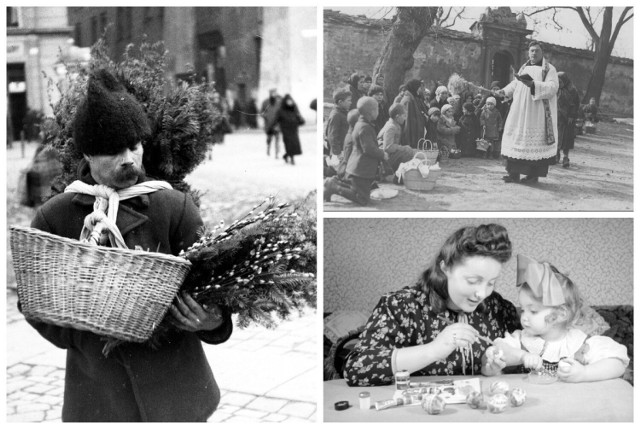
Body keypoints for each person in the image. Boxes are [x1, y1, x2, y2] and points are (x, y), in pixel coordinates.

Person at [23, 69, 232, 421]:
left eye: (134, 146)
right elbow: (34, 303)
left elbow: (217, 292)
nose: (128, 159)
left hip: (176, 392)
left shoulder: (173, 207)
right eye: (113, 151)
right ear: (87, 154)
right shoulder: (54, 217)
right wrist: (85, 335)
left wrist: (211, 321)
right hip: (99, 394)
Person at [343, 224, 521, 386]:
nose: (482, 293)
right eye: (473, 281)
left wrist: (492, 369)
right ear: (445, 268)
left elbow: (525, 368)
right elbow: (356, 369)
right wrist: (433, 350)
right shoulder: (401, 306)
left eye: (491, 283)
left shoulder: (499, 309)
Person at [483, 255, 629, 382]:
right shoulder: (520, 341)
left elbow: (618, 364)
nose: (524, 317)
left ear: (561, 314)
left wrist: (585, 374)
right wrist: (519, 357)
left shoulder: (580, 345)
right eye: (523, 309)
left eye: (533, 311)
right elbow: (495, 352)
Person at [497, 41, 559, 184]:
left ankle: (532, 176)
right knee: (516, 140)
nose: (534, 53)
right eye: (531, 50)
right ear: (528, 52)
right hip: (519, 110)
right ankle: (513, 174)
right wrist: (504, 91)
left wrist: (534, 85)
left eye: (537, 50)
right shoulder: (524, 67)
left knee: (534, 145)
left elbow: (553, 87)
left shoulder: (549, 69)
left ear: (542, 53)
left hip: (537, 112)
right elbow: (516, 83)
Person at [324, 97, 387, 205]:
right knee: (363, 199)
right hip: (360, 169)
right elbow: (368, 148)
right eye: (377, 109)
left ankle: (333, 182)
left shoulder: (362, 124)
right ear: (371, 112)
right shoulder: (364, 127)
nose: (378, 111)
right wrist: (382, 154)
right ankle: (333, 187)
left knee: (358, 190)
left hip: (359, 168)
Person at [377, 103, 416, 173]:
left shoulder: (394, 124)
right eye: (404, 116)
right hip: (383, 158)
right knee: (408, 151)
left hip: (386, 155)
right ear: (397, 117)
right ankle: (390, 171)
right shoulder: (391, 127)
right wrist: (403, 148)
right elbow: (387, 147)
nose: (405, 118)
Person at [556, 72, 581, 168]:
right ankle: (556, 155)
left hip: (568, 119)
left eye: (561, 81)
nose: (559, 83)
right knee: (557, 136)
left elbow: (576, 104)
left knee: (566, 138)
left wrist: (571, 115)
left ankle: (565, 158)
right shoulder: (557, 89)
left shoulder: (572, 90)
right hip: (558, 117)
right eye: (558, 81)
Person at [276, 94, 305, 165]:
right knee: (289, 145)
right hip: (285, 130)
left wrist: (300, 120)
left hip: (294, 130)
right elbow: (276, 120)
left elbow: (300, 119)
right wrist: (272, 127)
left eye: (290, 101)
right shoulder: (281, 110)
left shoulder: (294, 109)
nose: (290, 102)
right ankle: (292, 159)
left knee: (294, 145)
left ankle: (286, 156)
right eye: (288, 101)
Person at [400, 79, 429, 149]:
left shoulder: (412, 99)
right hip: (410, 136)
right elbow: (407, 122)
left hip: (413, 132)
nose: (420, 90)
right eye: (419, 87)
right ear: (414, 87)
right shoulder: (408, 100)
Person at [325, 88, 352, 158]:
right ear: (340, 102)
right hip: (340, 153)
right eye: (348, 100)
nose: (351, 102)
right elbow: (332, 136)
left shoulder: (343, 113)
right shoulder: (336, 115)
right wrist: (338, 153)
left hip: (345, 150)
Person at [260, 89, 281, 157]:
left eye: (275, 93)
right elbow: (261, 112)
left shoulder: (279, 102)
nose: (274, 94)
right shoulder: (265, 102)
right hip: (268, 124)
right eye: (272, 93)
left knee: (277, 138)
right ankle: (268, 148)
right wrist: (265, 116)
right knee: (269, 138)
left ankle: (276, 153)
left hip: (277, 123)